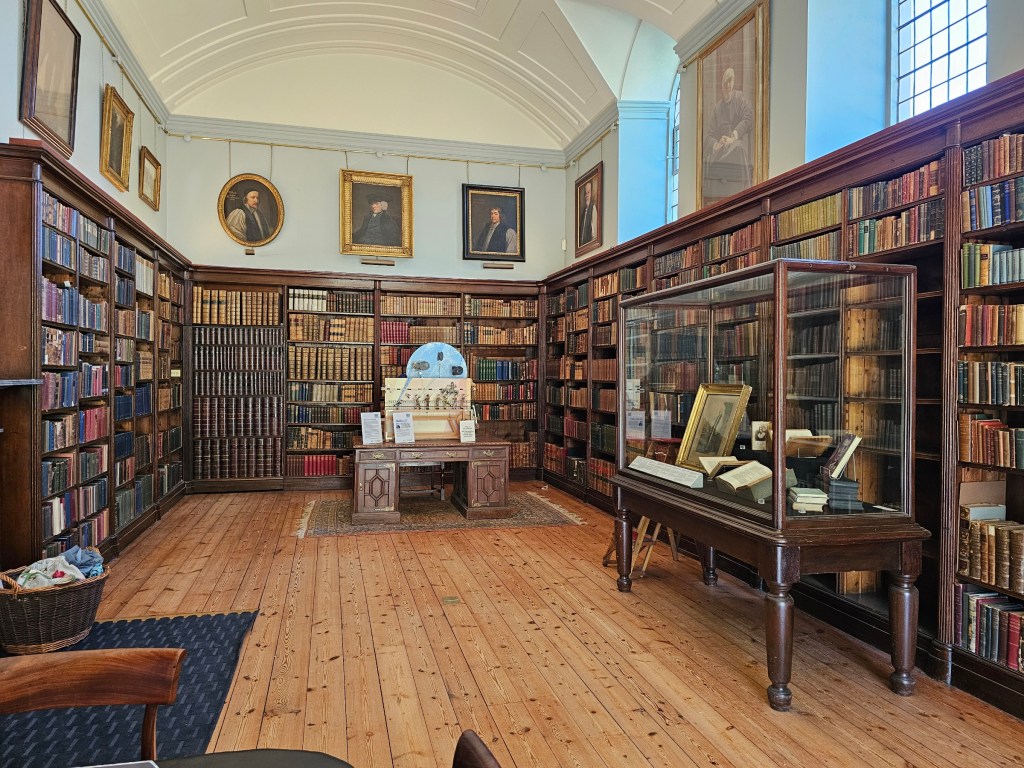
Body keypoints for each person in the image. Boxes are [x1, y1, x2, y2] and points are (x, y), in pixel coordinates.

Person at [703, 67, 754, 202]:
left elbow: (748, 117)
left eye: (730, 81)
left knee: (738, 148)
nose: (728, 85)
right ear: (721, 84)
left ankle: (745, 193)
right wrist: (716, 144)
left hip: (735, 145)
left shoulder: (740, 99)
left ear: (733, 82)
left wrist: (733, 136)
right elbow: (708, 136)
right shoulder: (717, 108)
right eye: (725, 81)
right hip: (720, 151)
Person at [578, 180, 598, 247]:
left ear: (591, 194)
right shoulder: (584, 211)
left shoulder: (593, 207)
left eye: (588, 192)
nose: (586, 195)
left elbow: (594, 233)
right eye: (585, 193)